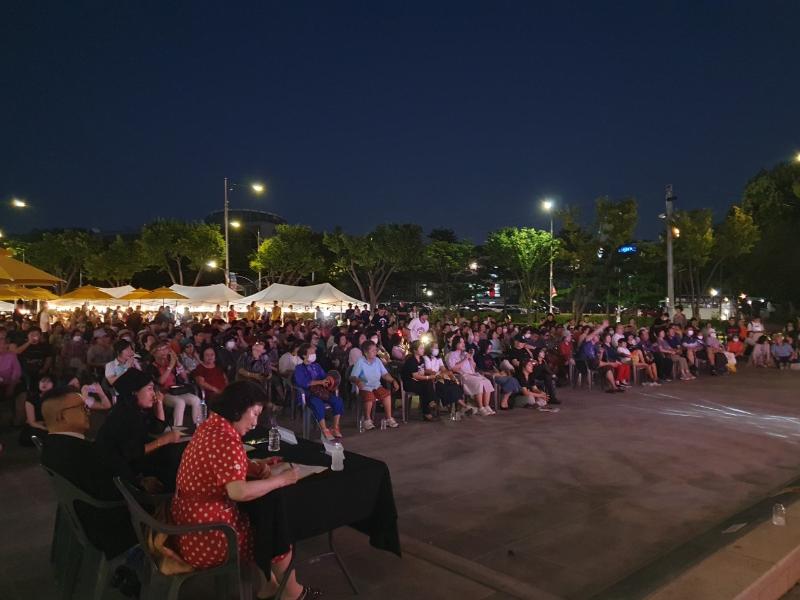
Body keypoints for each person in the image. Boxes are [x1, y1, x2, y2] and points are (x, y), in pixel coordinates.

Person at [170, 381, 317, 600]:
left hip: (186, 521)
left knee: (263, 515)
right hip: (207, 535)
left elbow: (221, 463)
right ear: (238, 410)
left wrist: (254, 466)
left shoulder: (212, 425)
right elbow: (238, 492)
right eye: (255, 414)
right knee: (271, 527)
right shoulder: (225, 439)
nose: (256, 423)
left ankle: (271, 586)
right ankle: (292, 592)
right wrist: (282, 480)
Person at [40, 386, 138, 559]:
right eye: (82, 408)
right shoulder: (81, 452)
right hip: (111, 526)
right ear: (61, 416)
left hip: (86, 518)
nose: (89, 412)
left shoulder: (50, 446)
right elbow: (118, 489)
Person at [95, 368, 184, 490]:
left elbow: (157, 428)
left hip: (131, 460)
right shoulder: (125, 415)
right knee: (173, 459)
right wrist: (164, 440)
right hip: (120, 473)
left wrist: (159, 404)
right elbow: (133, 452)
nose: (153, 393)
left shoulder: (135, 409)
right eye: (149, 389)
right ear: (134, 392)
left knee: (177, 451)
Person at [293, 343, 344, 440]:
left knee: (338, 401)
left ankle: (335, 427)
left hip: (322, 392)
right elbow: (302, 382)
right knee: (318, 404)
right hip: (309, 395)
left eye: (314, 352)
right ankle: (324, 429)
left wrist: (330, 381)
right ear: (304, 355)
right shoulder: (299, 368)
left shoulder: (316, 366)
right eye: (311, 352)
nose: (314, 354)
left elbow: (324, 376)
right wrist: (319, 382)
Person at [150, 341, 202, 427]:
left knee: (196, 400)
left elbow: (184, 377)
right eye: (160, 349)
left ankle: (199, 427)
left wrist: (177, 363)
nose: (164, 352)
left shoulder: (171, 362)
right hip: (163, 393)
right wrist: (170, 366)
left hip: (176, 390)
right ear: (154, 353)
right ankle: (177, 431)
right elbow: (160, 382)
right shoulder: (152, 366)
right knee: (180, 402)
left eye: (165, 349)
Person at [351, 340, 400, 430]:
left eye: (375, 350)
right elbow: (352, 376)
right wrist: (358, 381)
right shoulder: (360, 362)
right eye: (373, 350)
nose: (375, 352)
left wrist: (393, 380)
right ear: (366, 352)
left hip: (376, 385)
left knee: (387, 394)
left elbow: (385, 374)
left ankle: (389, 418)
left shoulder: (377, 360)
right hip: (364, 387)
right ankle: (367, 420)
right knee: (370, 397)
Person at [446, 336, 495, 415]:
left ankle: (486, 405)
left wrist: (471, 357)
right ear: (456, 344)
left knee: (487, 382)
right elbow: (453, 368)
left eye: (463, 342)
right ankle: (480, 407)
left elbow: (473, 367)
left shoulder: (465, 353)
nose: (463, 344)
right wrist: (465, 359)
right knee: (479, 383)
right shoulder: (451, 355)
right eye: (461, 342)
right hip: (463, 376)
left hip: (472, 374)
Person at [402, 340, 440, 421]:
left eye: (423, 348)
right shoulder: (411, 360)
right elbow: (416, 375)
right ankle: (431, 404)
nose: (423, 350)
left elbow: (421, 373)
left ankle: (428, 410)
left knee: (427, 385)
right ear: (415, 350)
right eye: (421, 348)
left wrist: (429, 376)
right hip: (409, 382)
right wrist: (428, 377)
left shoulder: (421, 359)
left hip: (418, 381)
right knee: (426, 385)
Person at [19, 374, 53, 446]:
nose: (44, 384)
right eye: (42, 381)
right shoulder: (31, 399)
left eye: (48, 382)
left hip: (51, 425)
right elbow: (32, 422)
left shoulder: (56, 399)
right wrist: (45, 428)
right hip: (36, 426)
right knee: (32, 433)